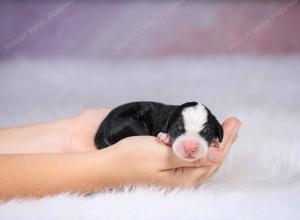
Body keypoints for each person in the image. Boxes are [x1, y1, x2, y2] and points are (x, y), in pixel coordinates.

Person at [0, 108, 240, 201]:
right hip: (123, 123)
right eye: (178, 131)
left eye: (205, 135)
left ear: (215, 132)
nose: (190, 145)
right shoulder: (166, 120)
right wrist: (108, 168)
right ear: (170, 125)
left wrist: (71, 133)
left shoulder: (174, 117)